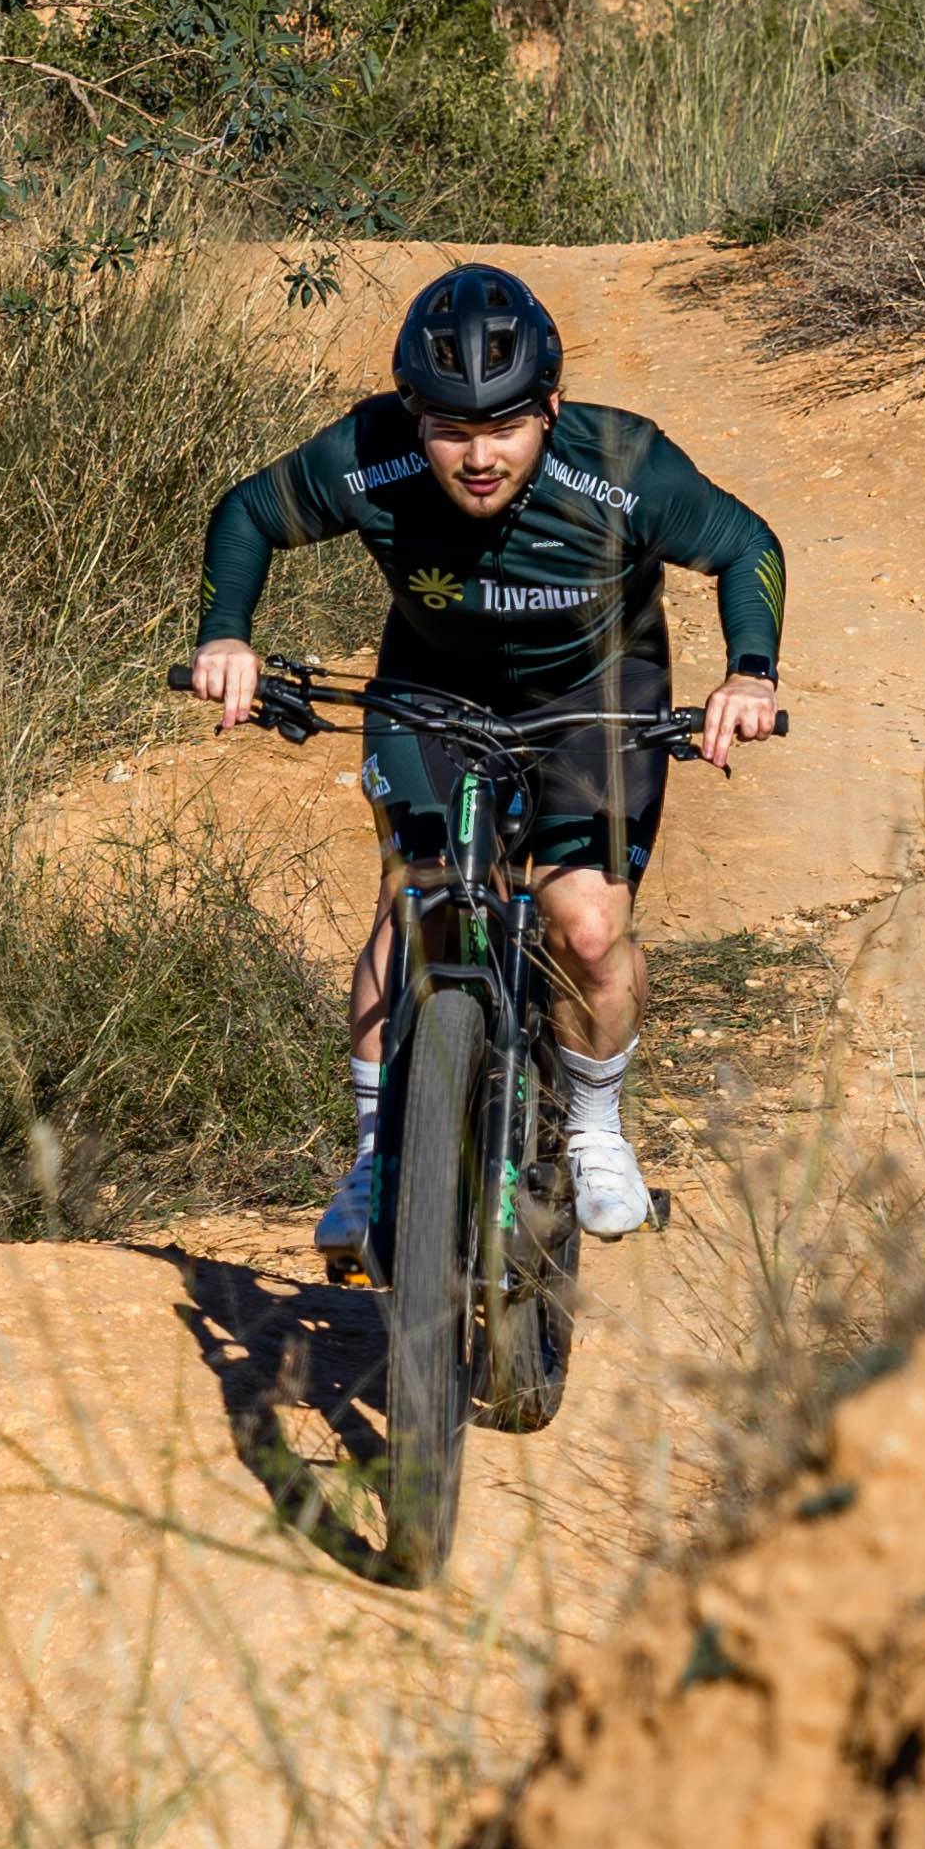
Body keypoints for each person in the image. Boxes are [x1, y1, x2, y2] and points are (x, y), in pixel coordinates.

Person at [187, 261, 787, 1266]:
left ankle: (596, 1127)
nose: (477, 455)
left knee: (587, 927)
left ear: (550, 407)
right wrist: (227, 636)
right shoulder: (367, 456)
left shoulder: (625, 464)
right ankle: (382, 1154)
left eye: (503, 425)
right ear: (411, 415)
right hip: (431, 686)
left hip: (598, 694)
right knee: (415, 894)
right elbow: (247, 513)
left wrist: (751, 673)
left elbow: (746, 544)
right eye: (451, 428)